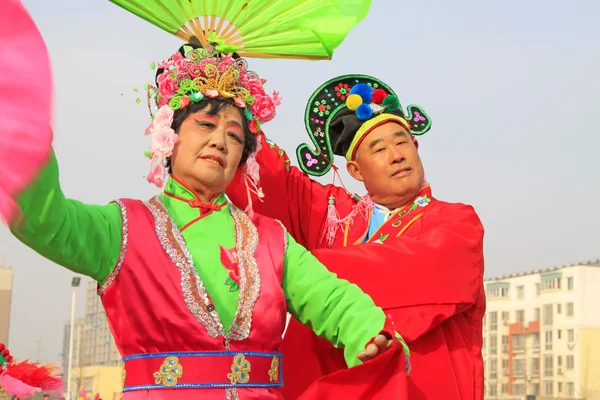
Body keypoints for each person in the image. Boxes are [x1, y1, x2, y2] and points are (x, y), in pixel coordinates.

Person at [1, 4, 408, 400]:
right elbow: (43, 219)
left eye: (234, 135)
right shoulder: (123, 227)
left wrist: (366, 330)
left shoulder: (270, 241)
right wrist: (24, 132)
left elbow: (331, 297)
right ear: (169, 134)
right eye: (207, 125)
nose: (220, 140)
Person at [226, 74, 486, 399]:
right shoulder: (335, 217)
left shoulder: (457, 222)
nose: (396, 155)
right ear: (356, 171)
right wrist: (225, 104)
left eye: (402, 142)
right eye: (379, 149)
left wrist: (295, 268)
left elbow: (410, 271)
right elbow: (273, 182)